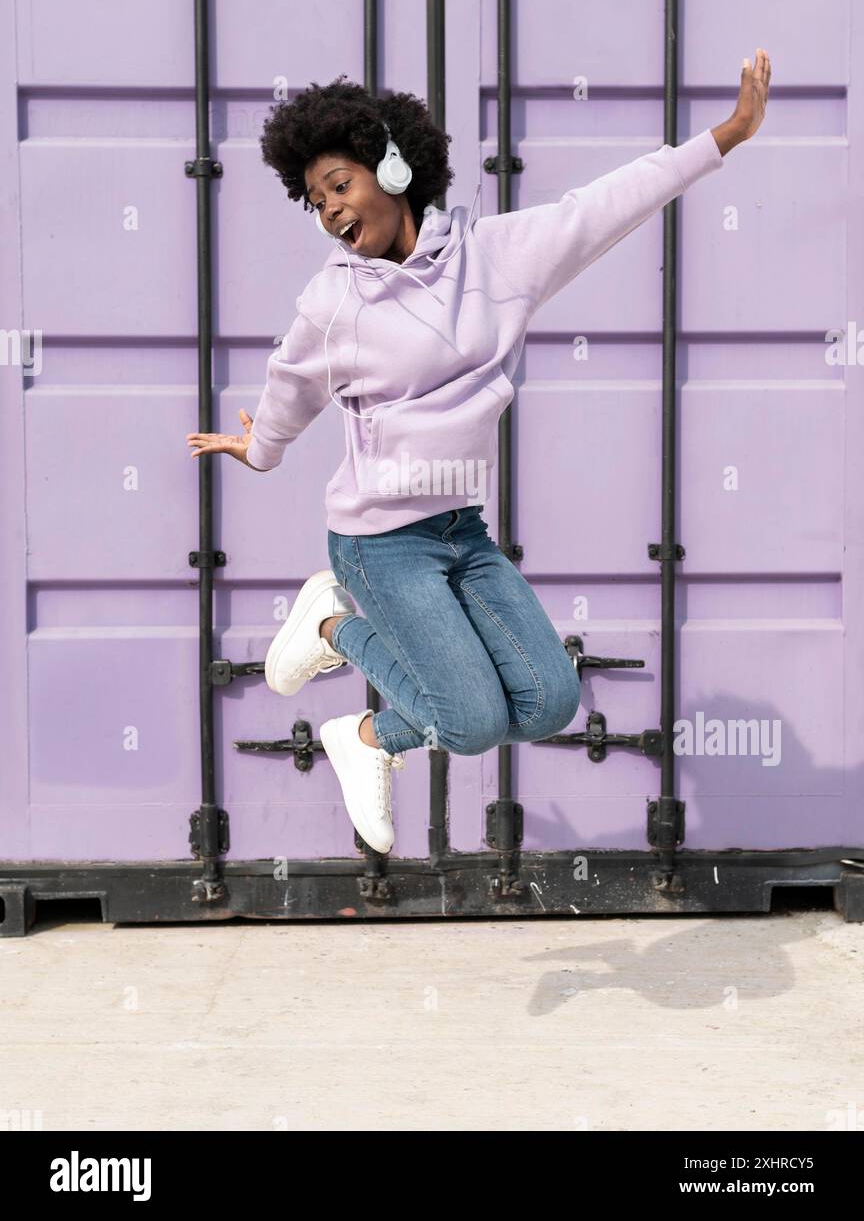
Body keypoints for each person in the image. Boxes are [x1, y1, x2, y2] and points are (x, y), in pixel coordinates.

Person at [186, 53, 772, 855]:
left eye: (339, 184)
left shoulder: (495, 257)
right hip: (380, 545)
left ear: (392, 165)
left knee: (546, 701)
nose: (329, 210)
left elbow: (606, 205)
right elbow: (290, 385)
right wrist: (260, 448)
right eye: (314, 199)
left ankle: (337, 670)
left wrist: (728, 137)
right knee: (466, 723)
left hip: (462, 530)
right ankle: (338, 650)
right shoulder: (334, 300)